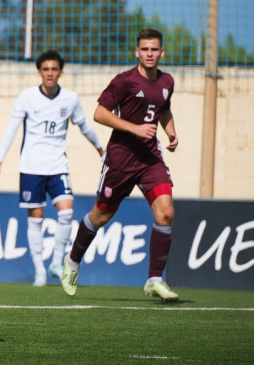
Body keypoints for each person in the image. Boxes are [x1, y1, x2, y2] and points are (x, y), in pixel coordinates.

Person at [60, 28, 180, 301]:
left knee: (166, 213)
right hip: (121, 159)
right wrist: (135, 129)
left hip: (150, 159)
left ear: (162, 52)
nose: (149, 54)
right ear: (137, 52)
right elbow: (100, 113)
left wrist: (171, 132)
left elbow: (163, 110)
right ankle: (73, 262)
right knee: (101, 215)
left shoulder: (167, 82)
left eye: (154, 49)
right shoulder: (125, 81)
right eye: (144, 49)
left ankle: (154, 279)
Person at [0, 50, 103, 287]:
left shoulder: (70, 99)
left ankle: (56, 262)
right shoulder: (27, 97)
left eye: (54, 69)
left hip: (58, 165)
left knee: (67, 212)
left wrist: (101, 148)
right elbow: (12, 129)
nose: (50, 73)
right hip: (31, 166)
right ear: (39, 72)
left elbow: (84, 126)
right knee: (36, 218)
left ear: (61, 71)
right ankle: (40, 270)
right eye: (46, 69)